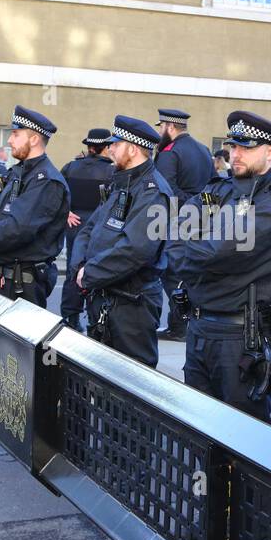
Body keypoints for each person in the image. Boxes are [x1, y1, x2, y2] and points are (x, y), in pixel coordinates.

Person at [168, 111, 271, 423]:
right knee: (199, 429)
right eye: (233, 146)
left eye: (247, 147)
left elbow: (221, 251)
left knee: (242, 436)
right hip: (200, 329)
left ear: (270, 152)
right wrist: (200, 252)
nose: (236, 154)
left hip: (240, 339)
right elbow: (176, 234)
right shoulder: (218, 190)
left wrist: (201, 249)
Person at [69, 115, 173, 366]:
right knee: (102, 383)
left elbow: (136, 250)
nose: (111, 149)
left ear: (134, 149)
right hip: (104, 298)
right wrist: (79, 267)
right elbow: (88, 229)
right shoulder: (121, 184)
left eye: (116, 144)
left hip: (132, 306)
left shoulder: (154, 192)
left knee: (132, 383)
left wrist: (89, 273)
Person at [0, 105, 69, 302]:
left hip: (22, 284)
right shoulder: (15, 173)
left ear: (34, 139)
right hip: (0, 276)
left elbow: (18, 228)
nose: (9, 141)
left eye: (15, 134)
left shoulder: (46, 181)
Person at [154, 109, 216, 341]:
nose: (160, 131)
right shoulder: (202, 149)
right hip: (200, 220)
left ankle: (179, 326)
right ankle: (187, 322)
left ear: (170, 127)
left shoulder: (169, 152)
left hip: (177, 220)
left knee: (171, 274)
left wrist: (188, 206)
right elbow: (213, 184)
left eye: (161, 127)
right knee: (189, 272)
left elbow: (166, 189)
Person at [59, 128, 116, 330]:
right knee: (96, 271)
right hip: (99, 227)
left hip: (74, 224)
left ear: (89, 146)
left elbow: (56, 192)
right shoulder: (112, 171)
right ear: (106, 148)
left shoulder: (71, 167)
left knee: (74, 271)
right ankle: (95, 318)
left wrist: (65, 212)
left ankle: (70, 317)